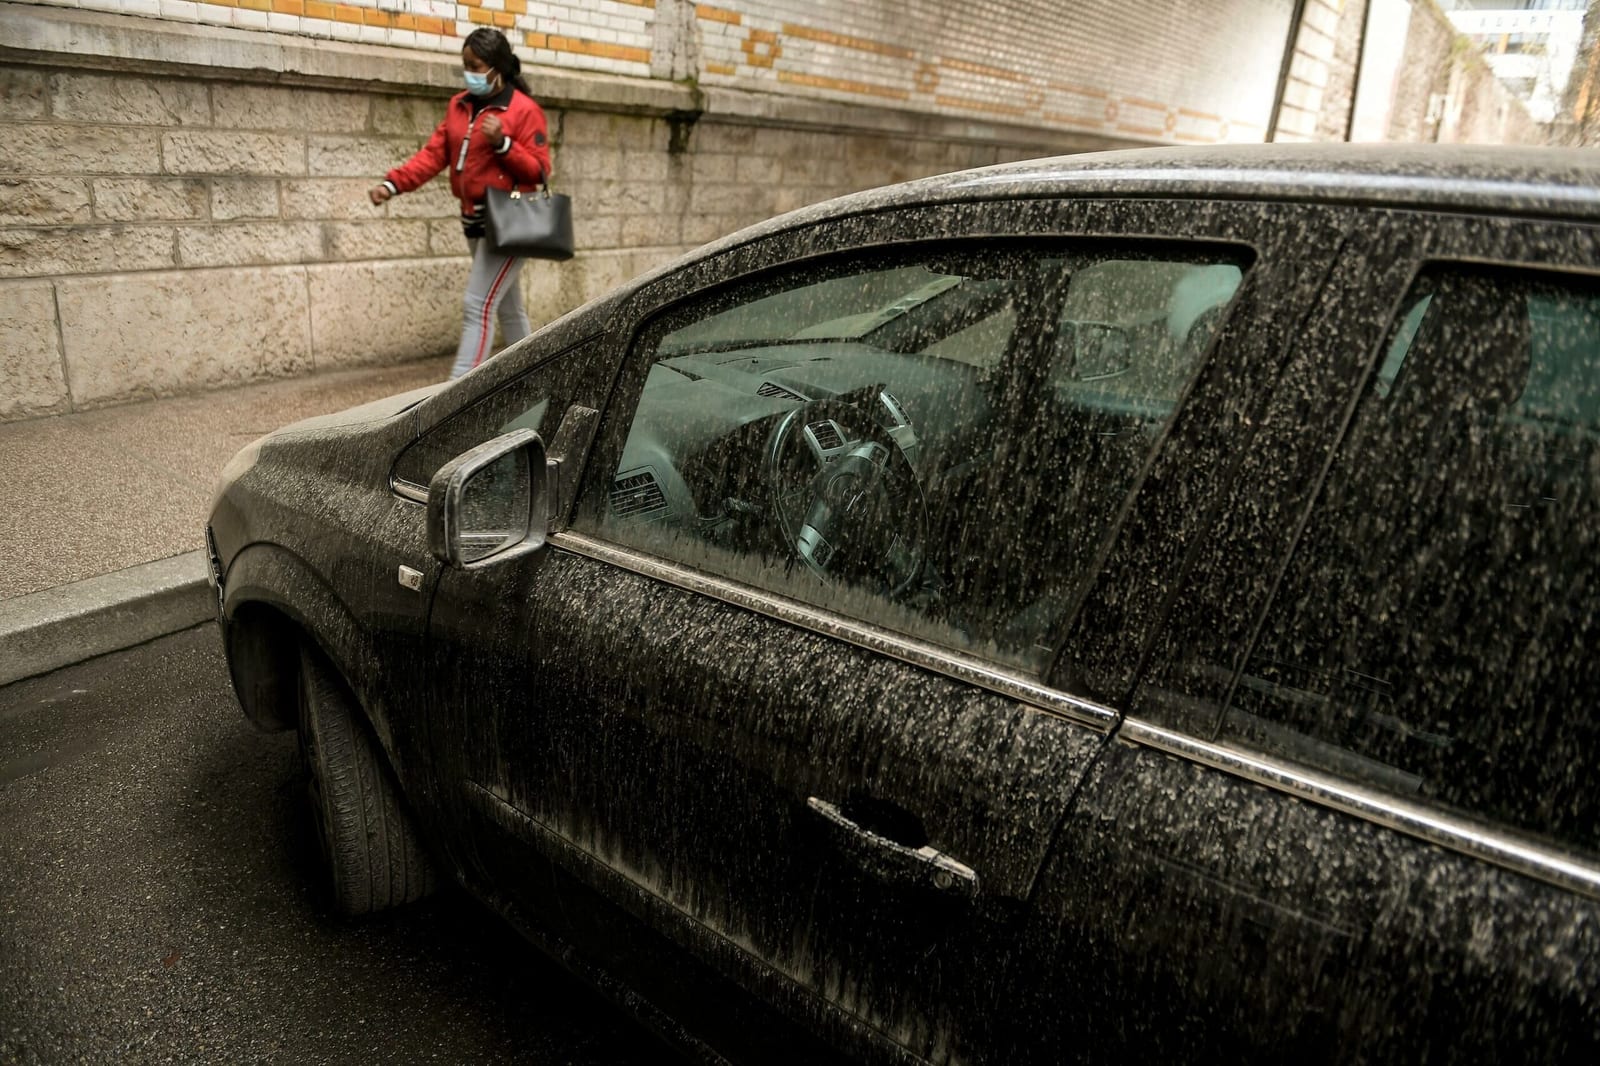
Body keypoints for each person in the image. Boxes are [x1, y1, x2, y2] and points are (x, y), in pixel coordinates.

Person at [370, 28, 552, 379]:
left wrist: (503, 144)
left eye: (476, 65)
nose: (469, 73)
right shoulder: (460, 105)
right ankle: (534, 378)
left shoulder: (524, 111)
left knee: (477, 305)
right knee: (509, 308)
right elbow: (433, 155)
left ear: (497, 68)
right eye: (465, 65)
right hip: (474, 221)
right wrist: (392, 184)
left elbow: (540, 170)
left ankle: (457, 391)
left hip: (512, 220)